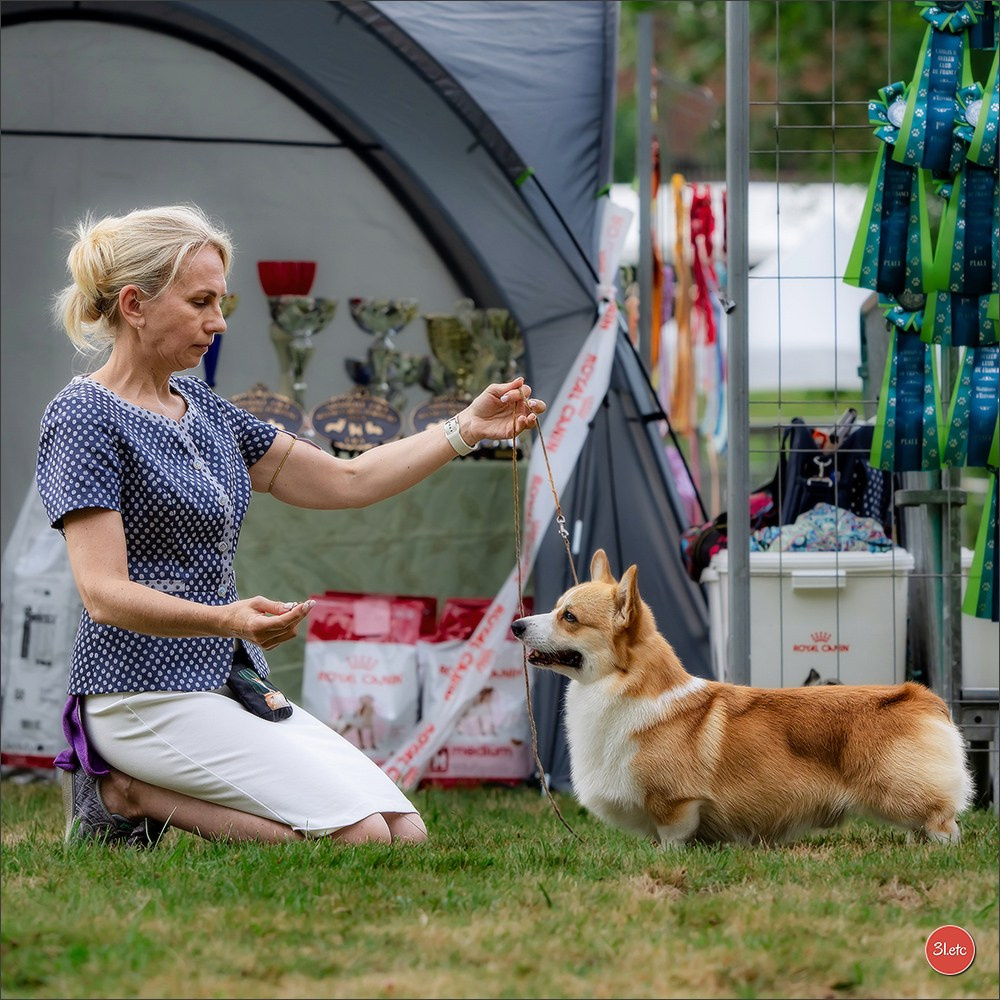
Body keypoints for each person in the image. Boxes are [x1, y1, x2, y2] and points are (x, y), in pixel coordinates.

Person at [36, 204, 545, 847]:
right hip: (137, 692)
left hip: (225, 682)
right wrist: (227, 619)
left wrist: (463, 430)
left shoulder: (212, 414)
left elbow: (347, 480)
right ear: (134, 305)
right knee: (359, 838)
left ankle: (135, 793)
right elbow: (102, 594)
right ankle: (123, 789)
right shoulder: (83, 415)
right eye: (200, 303)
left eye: (221, 302)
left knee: (404, 832)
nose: (218, 323)